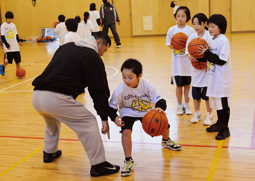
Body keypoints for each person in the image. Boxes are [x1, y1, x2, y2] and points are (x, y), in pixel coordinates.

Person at [31, 31, 120, 177]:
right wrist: (105, 117)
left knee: (51, 120)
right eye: (104, 50)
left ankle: (49, 152)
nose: (103, 54)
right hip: (55, 98)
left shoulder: (65, 47)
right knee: (89, 121)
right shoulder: (92, 56)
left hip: (37, 95)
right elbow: (98, 90)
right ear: (98, 43)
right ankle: (98, 164)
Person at [109, 59, 182, 177]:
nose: (126, 80)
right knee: (126, 131)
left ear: (139, 76)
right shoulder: (120, 89)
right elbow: (111, 106)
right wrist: (114, 117)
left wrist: (160, 108)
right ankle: (128, 160)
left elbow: (159, 99)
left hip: (146, 112)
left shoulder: (146, 85)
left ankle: (166, 141)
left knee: (163, 123)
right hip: (128, 111)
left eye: (130, 77)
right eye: (124, 77)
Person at [197, 14, 232, 140]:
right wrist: (198, 54)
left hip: (222, 80)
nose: (210, 29)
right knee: (217, 103)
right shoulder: (211, 40)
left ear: (221, 27)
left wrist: (206, 53)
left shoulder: (223, 40)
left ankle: (225, 128)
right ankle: (219, 123)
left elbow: (222, 60)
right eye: (209, 26)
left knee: (223, 104)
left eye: (213, 26)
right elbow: (208, 55)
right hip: (213, 77)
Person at [166, 6, 195, 115]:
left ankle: (187, 104)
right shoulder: (172, 30)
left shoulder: (190, 30)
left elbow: (193, 44)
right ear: (175, 17)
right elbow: (169, 44)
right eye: (178, 16)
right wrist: (176, 45)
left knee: (187, 86)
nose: (180, 18)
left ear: (187, 17)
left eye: (183, 16)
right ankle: (179, 105)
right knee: (178, 86)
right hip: (177, 65)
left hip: (188, 64)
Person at [185, 13, 214, 125]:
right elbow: (187, 51)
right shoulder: (192, 37)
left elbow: (212, 52)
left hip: (207, 70)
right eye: (194, 24)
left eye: (198, 23)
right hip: (196, 70)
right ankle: (197, 112)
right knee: (196, 93)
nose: (196, 26)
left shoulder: (209, 37)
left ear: (205, 23)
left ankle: (209, 114)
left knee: (207, 95)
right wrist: (190, 56)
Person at [0, 11, 23, 76]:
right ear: (6, 18)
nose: (10, 20)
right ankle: (2, 66)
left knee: (18, 60)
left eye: (11, 18)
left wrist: (19, 41)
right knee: (8, 60)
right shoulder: (3, 26)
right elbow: (2, 37)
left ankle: (18, 72)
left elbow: (16, 34)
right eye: (9, 18)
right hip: (8, 46)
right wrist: (7, 45)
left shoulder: (13, 25)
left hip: (15, 45)